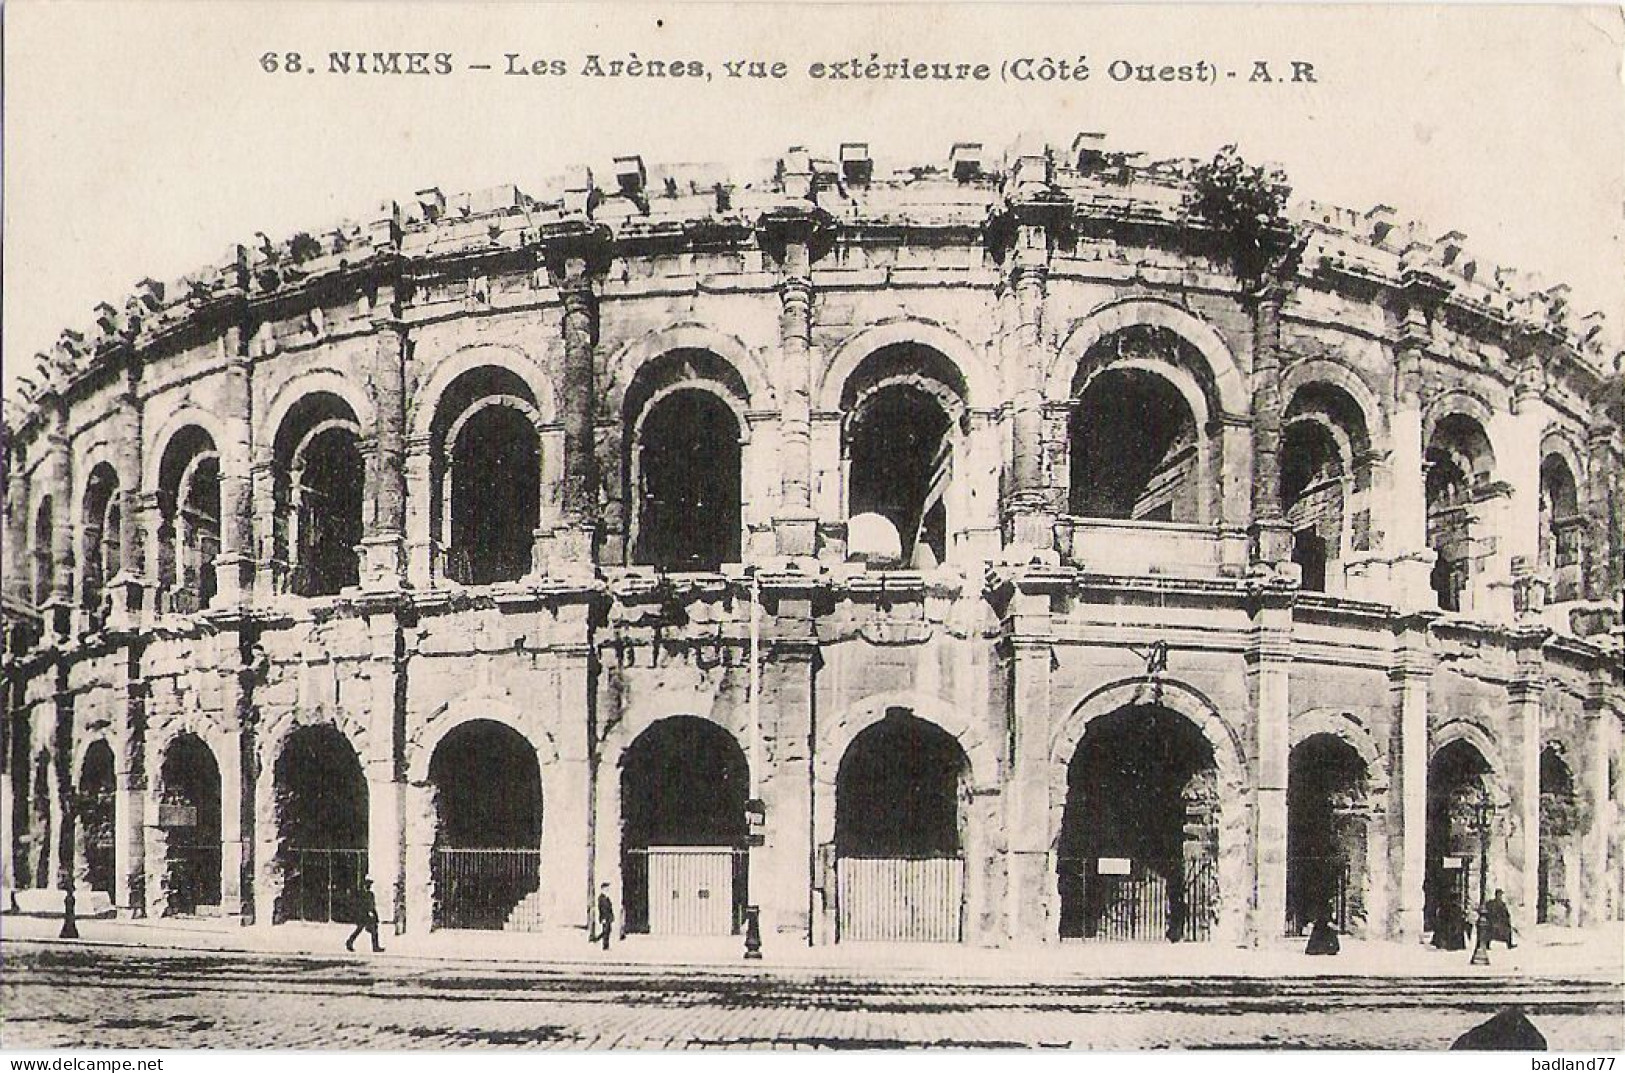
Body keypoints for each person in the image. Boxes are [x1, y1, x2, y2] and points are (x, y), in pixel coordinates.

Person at [346, 878, 385, 953]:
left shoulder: (370, 894)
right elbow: (358, 905)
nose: (368, 886)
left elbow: (372, 906)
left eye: (369, 885)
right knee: (361, 930)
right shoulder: (361, 894)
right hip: (363, 915)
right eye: (367, 885)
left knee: (372, 930)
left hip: (368, 915)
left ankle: (375, 947)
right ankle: (350, 942)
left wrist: (376, 916)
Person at [594, 883, 615, 951]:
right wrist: (603, 918)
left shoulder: (606, 897)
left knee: (608, 931)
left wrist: (612, 916)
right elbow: (602, 909)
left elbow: (610, 908)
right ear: (603, 889)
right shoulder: (601, 898)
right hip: (605, 917)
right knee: (606, 931)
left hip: (608, 917)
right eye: (606, 888)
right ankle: (605, 946)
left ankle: (597, 939)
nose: (607, 890)